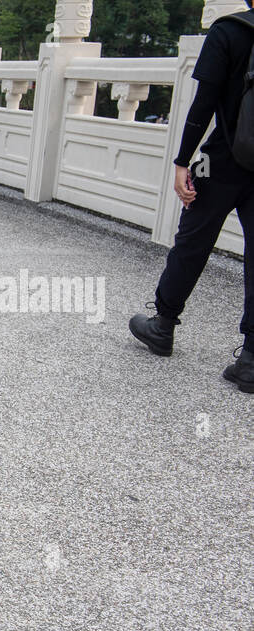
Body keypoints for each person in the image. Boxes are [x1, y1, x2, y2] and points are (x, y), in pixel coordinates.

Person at [129, 2, 254, 393]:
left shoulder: (229, 30)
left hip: (219, 160)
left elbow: (204, 104)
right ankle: (250, 359)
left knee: (192, 240)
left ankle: (162, 325)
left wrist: (184, 161)